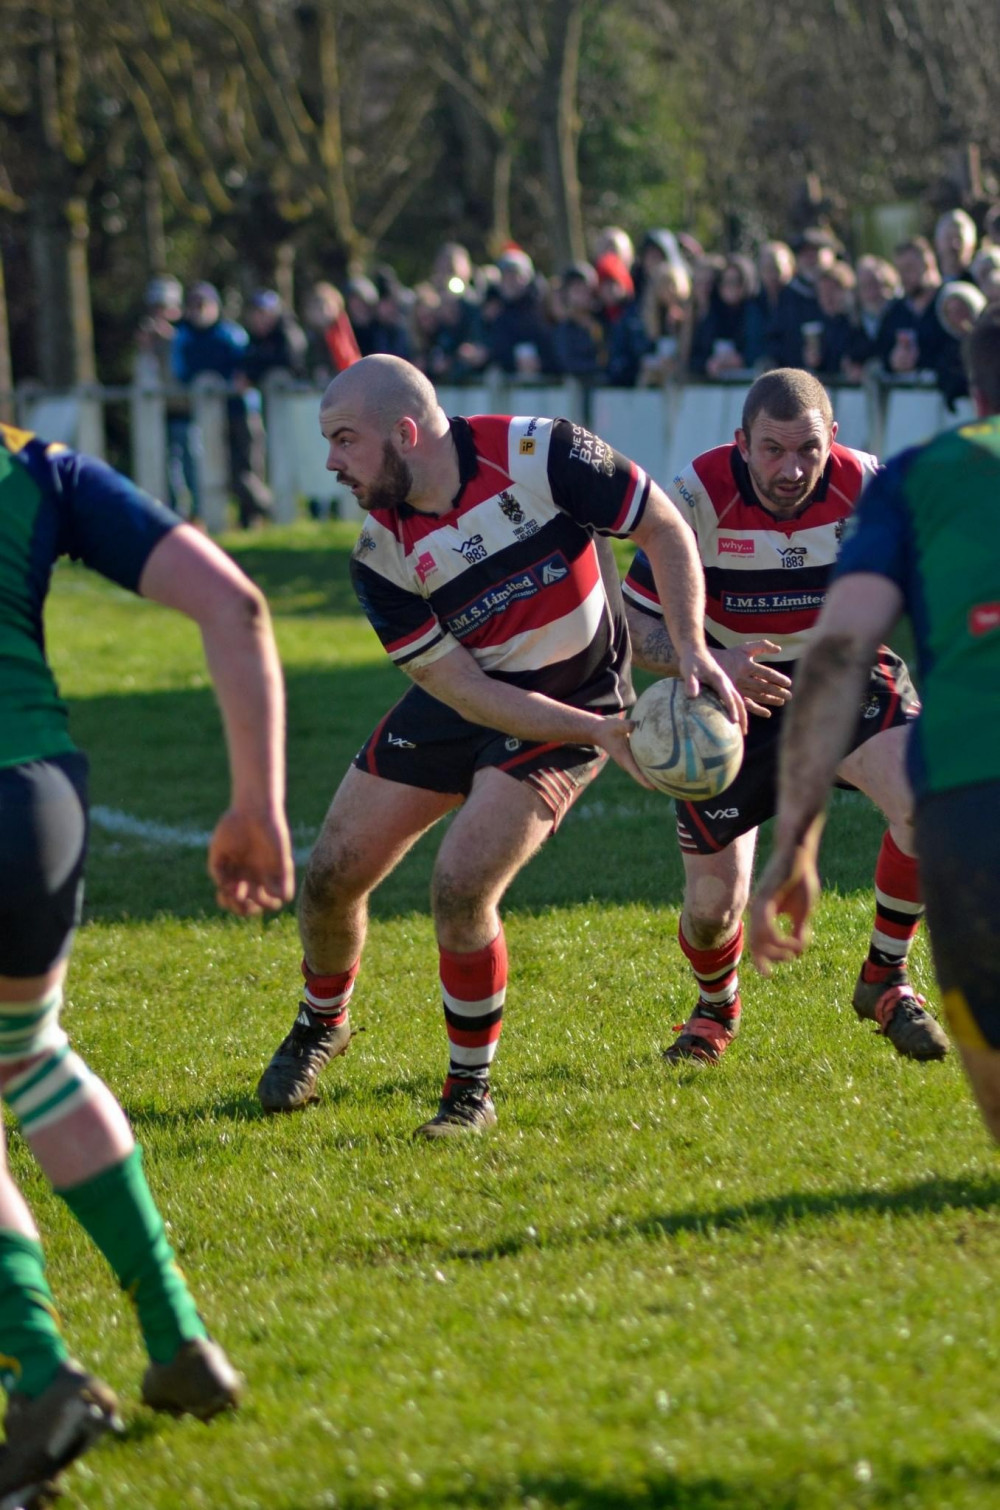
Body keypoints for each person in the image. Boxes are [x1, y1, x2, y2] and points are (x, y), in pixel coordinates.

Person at [256, 354, 743, 1136]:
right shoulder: (379, 554)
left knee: (461, 885)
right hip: (471, 698)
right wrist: (598, 737)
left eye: (345, 440)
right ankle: (323, 1022)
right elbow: (460, 688)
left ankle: (467, 1094)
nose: (332, 462)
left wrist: (690, 648)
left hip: (576, 698)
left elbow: (664, 525)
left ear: (404, 433)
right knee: (330, 876)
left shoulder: (543, 454)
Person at [0, 421, 294, 1505]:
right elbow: (236, 605)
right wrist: (258, 803)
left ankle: (38, 1374)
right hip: (38, 803)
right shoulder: (37, 465)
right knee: (28, 1056)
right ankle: (177, 1340)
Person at [621, 368, 949, 1065]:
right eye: (772, 450)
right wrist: (710, 658)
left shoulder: (872, 488)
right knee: (711, 913)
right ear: (742, 443)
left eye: (808, 448)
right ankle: (715, 1009)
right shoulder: (694, 498)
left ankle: (885, 978)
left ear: (834, 437)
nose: (792, 468)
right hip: (729, 696)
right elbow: (636, 628)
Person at [749, 308, 1000, 1144]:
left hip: (972, 801)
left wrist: (796, 840)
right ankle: (884, 974)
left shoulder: (921, 479)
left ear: (972, 388)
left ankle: (886, 970)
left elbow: (838, 653)